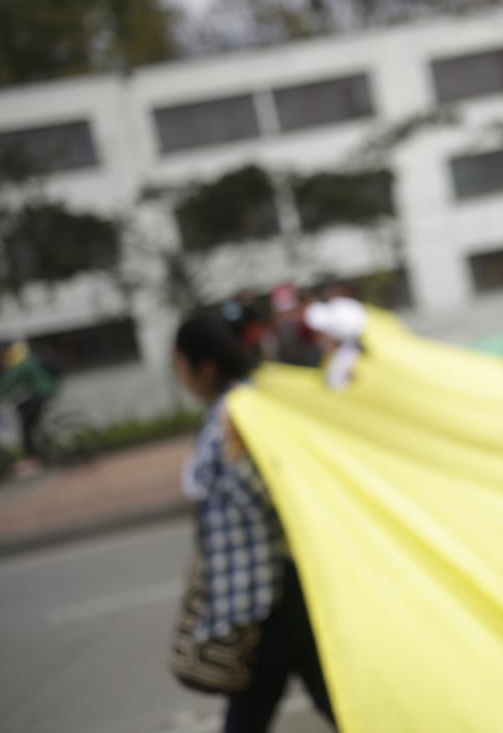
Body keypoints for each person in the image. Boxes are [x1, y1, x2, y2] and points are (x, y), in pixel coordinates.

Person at [173, 313, 334, 733]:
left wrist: (234, 455)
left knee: (250, 716)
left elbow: (267, 498)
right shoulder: (230, 409)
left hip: (268, 597)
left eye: (179, 366)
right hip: (263, 596)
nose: (179, 378)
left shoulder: (239, 411)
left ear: (203, 366)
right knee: (327, 702)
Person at [0, 340, 60, 470]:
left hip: (41, 393)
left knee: (26, 426)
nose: (2, 359)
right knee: (28, 417)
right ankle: (44, 447)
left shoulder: (23, 362)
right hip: (39, 393)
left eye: (3, 355)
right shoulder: (23, 359)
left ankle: (34, 459)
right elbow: (9, 380)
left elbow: (9, 381)